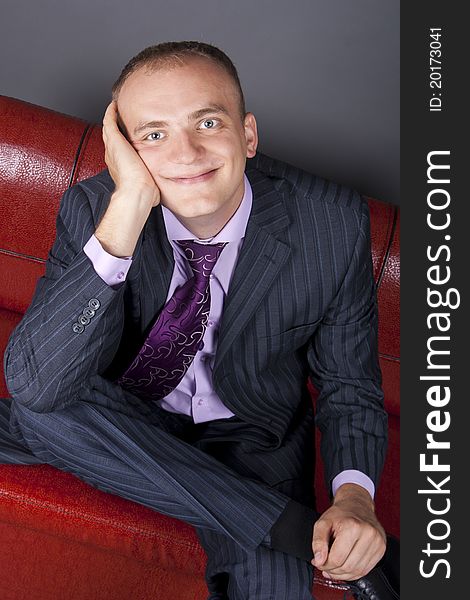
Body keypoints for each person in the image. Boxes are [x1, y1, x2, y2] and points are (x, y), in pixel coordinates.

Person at [1, 41, 389, 599]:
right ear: (126, 152)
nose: (185, 152)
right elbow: (39, 381)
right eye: (153, 135)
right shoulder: (97, 208)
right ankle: (286, 526)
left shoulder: (331, 223)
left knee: (276, 589)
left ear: (248, 134)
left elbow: (349, 385)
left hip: (252, 436)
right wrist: (131, 205)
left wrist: (354, 498)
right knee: (45, 407)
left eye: (206, 122)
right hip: (125, 412)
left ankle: (255, 514)